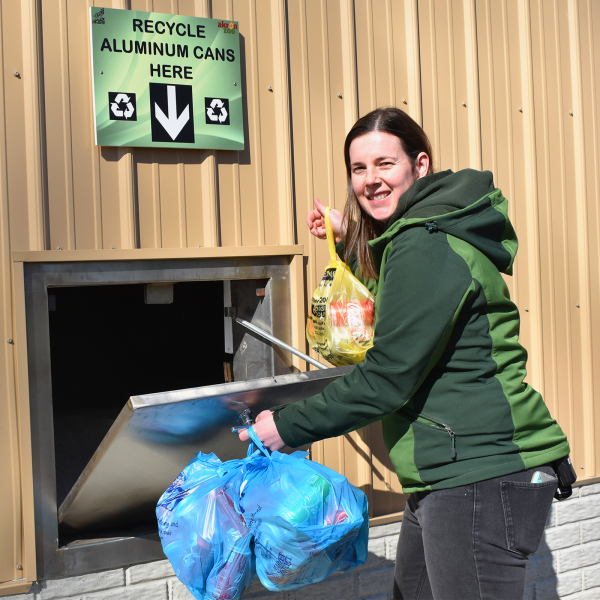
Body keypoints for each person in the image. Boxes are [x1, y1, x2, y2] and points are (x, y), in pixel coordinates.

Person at [239, 107, 570, 600]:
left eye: (384, 165)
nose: (370, 180)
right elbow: (407, 298)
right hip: (450, 471)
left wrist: (284, 426)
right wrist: (348, 237)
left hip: (477, 475)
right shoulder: (424, 232)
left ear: (420, 165)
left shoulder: (425, 243)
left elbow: (386, 379)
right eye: (358, 169)